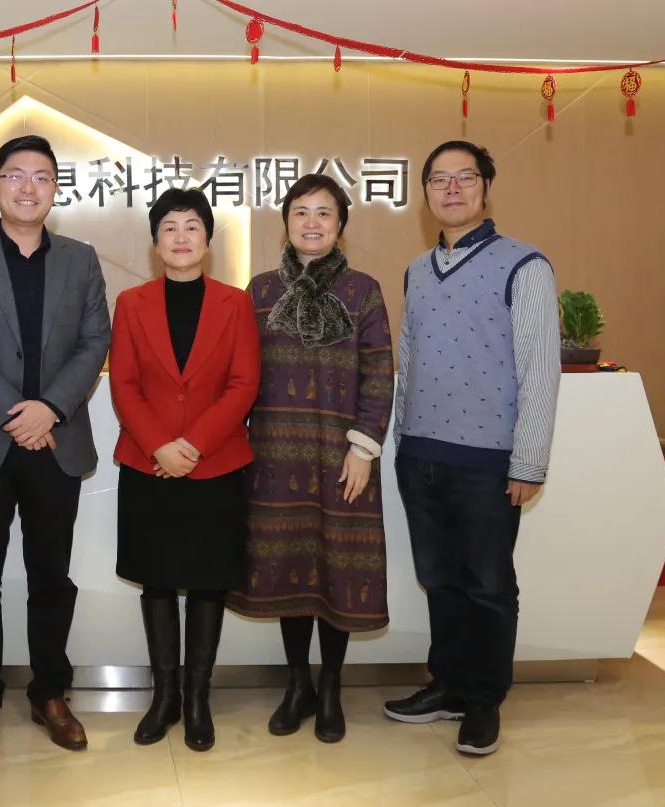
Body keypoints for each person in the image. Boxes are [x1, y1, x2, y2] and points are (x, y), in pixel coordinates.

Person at [0, 135, 111, 758]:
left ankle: (49, 693)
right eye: (15, 175)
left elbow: (95, 341)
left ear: (56, 188)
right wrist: (16, 412)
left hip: (56, 439)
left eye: (41, 176)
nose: (27, 187)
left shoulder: (81, 259)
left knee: (51, 576)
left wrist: (50, 408)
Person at [383, 141, 560, 756]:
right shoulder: (417, 270)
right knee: (440, 580)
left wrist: (529, 460)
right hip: (421, 455)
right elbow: (409, 358)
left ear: (485, 186)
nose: (452, 189)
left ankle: (483, 701)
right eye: (439, 179)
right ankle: (448, 686)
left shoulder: (524, 265)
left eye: (465, 177)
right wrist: (402, 441)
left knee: (488, 585)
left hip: (488, 462)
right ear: (426, 193)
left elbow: (540, 370)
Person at [227, 174, 394, 743]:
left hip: (344, 458)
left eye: (324, 212)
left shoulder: (364, 291)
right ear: (286, 222)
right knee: (289, 568)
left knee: (338, 570)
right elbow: (240, 373)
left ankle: (331, 688)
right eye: (301, 211)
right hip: (274, 453)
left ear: (340, 224)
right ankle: (297, 683)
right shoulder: (260, 291)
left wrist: (364, 447)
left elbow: (379, 373)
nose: (312, 222)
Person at [109, 189, 260, 752]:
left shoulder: (235, 303)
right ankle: (165, 697)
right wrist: (159, 446)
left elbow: (244, 383)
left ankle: (197, 699)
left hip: (214, 463)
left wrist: (192, 445)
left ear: (207, 239)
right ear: (155, 242)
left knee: (207, 580)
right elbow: (124, 384)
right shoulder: (131, 303)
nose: (180, 237)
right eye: (169, 227)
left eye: (192, 226)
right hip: (147, 464)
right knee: (156, 579)